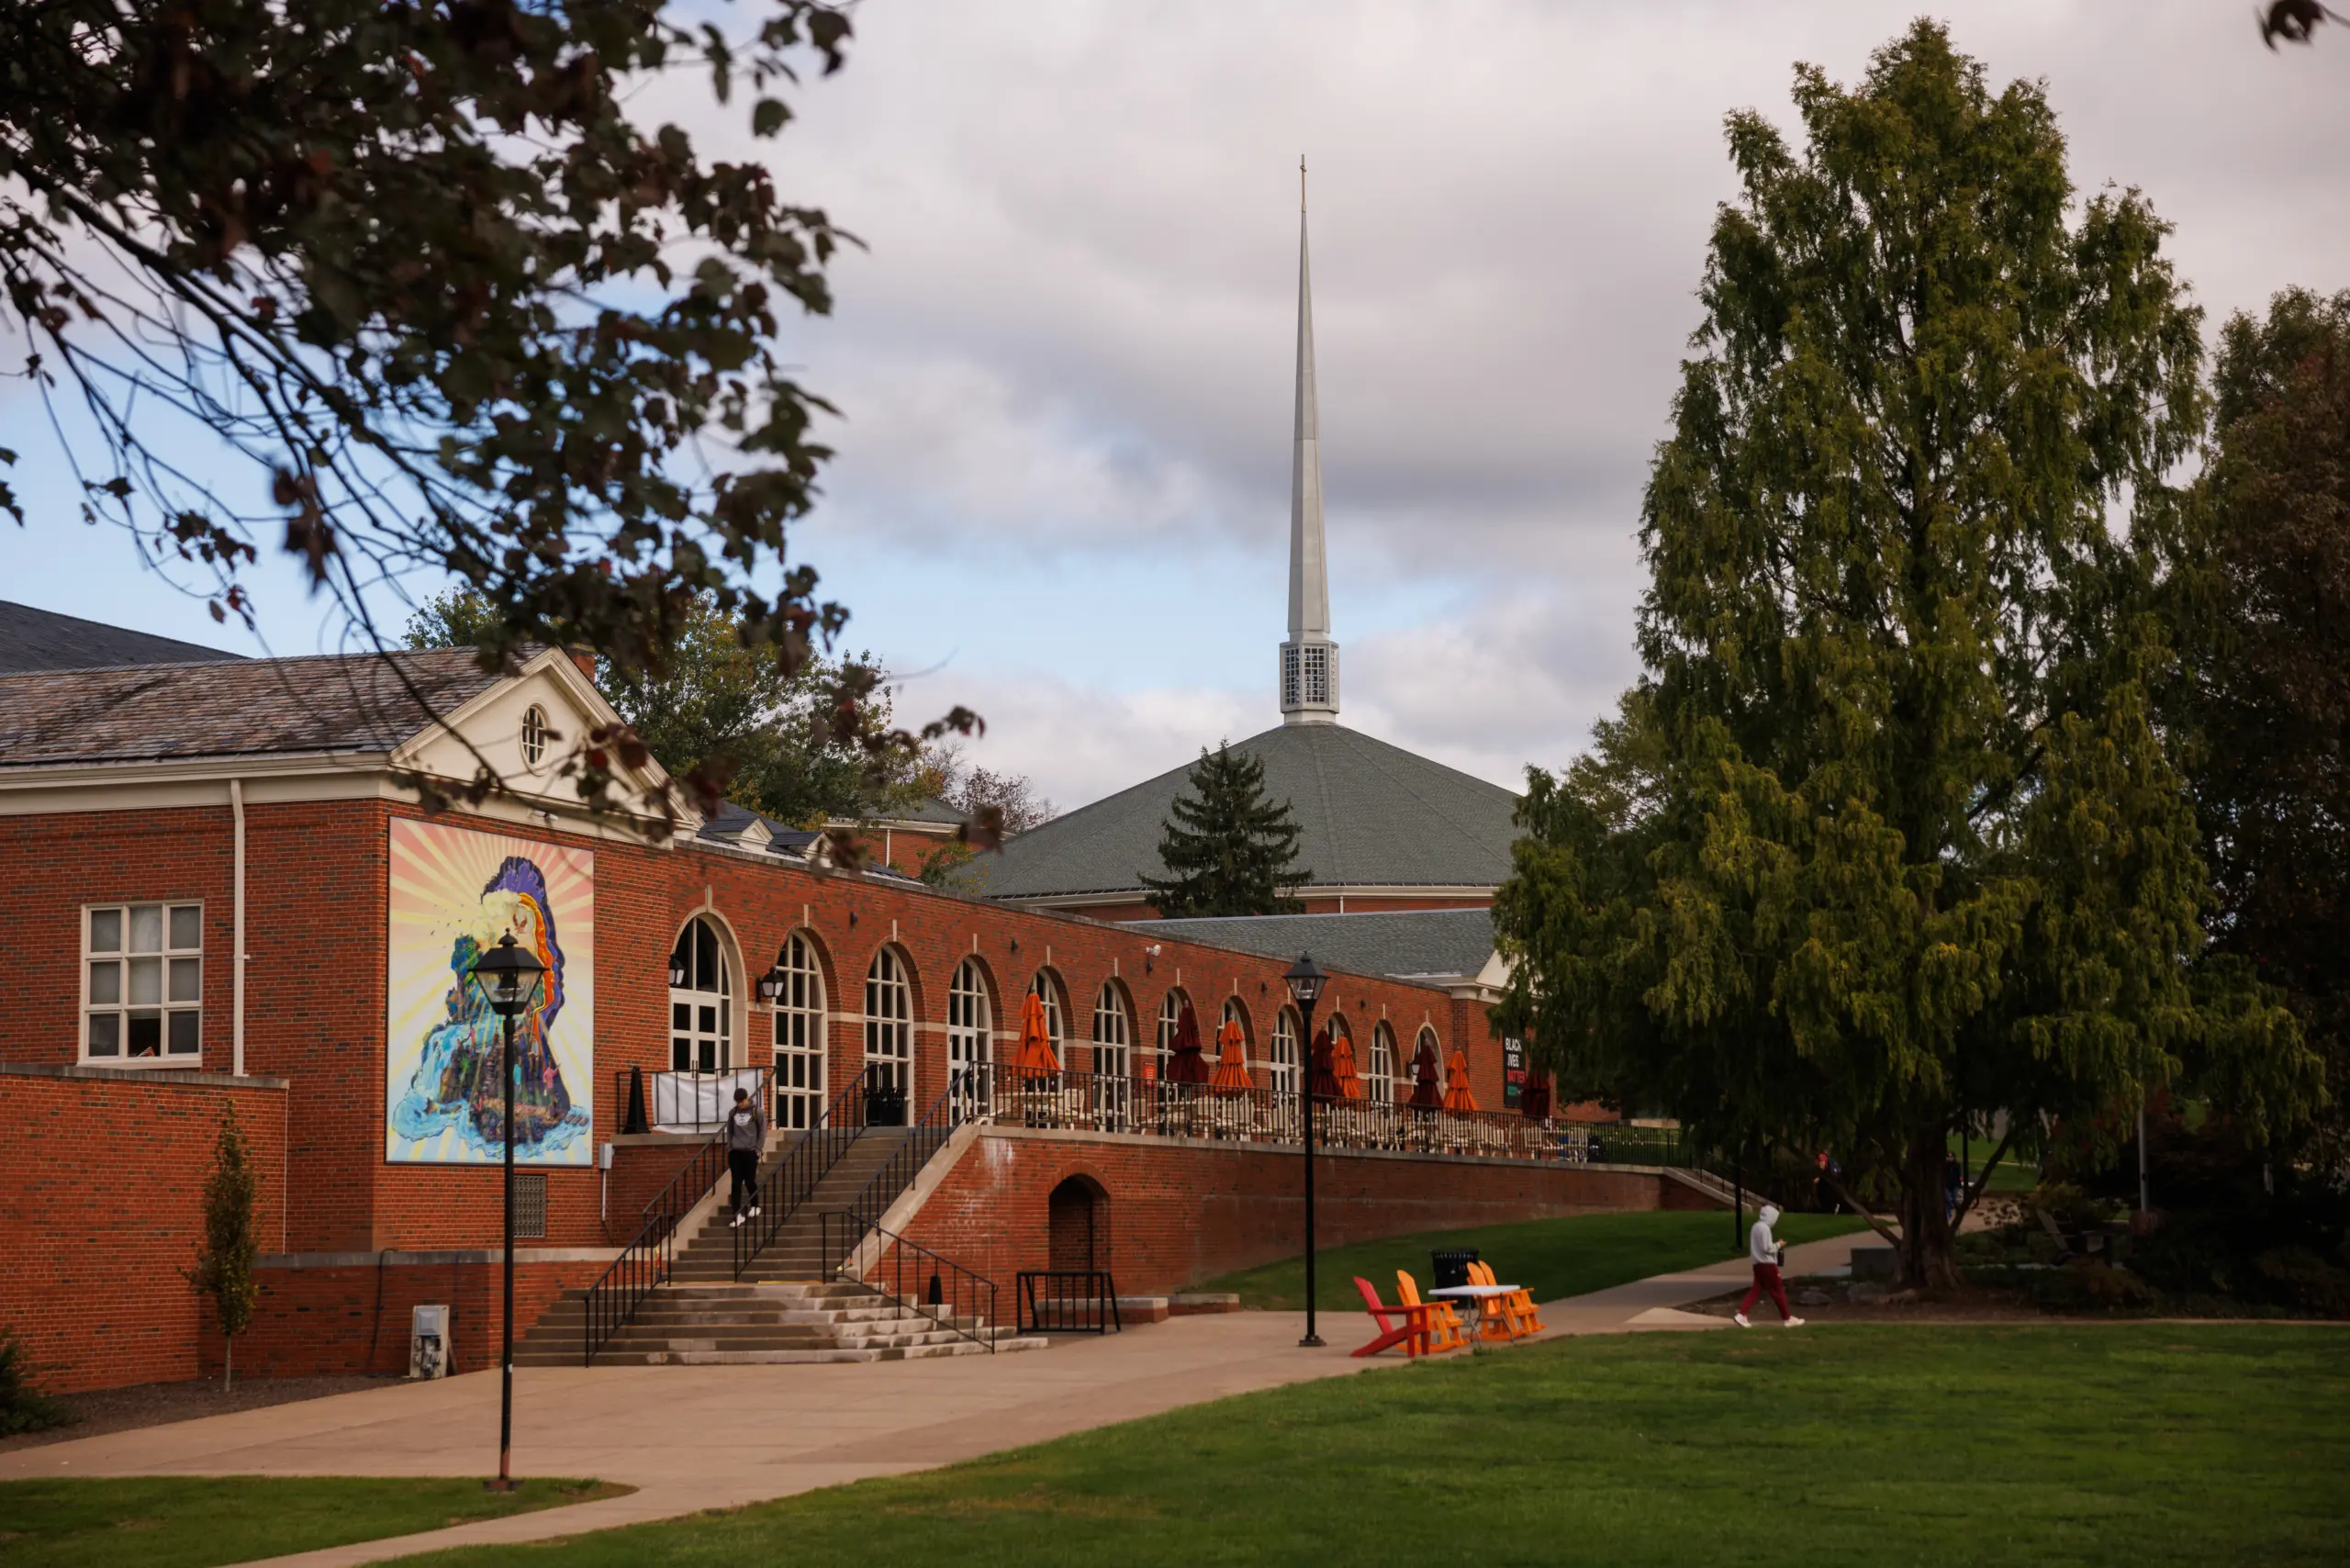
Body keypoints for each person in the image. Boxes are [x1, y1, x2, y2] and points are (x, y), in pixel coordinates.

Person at [1734, 1203, 1804, 1328]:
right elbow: (1767, 1247)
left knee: (1756, 1289)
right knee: (1778, 1291)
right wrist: (1779, 1244)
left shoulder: (1755, 1227)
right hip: (1767, 1264)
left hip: (1757, 1263)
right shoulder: (1765, 1228)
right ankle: (1787, 1318)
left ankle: (1742, 1314)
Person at [725, 1086, 765, 1227]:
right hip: (735, 1152)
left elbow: (762, 1132)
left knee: (749, 1180)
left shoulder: (757, 1112)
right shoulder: (733, 1112)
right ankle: (737, 1215)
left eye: (742, 1101)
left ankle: (755, 1205)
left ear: (747, 1098)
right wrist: (730, 1147)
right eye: (738, 1101)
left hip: (750, 1151)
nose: (740, 1104)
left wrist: (758, 1149)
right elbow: (729, 1131)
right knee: (735, 1184)